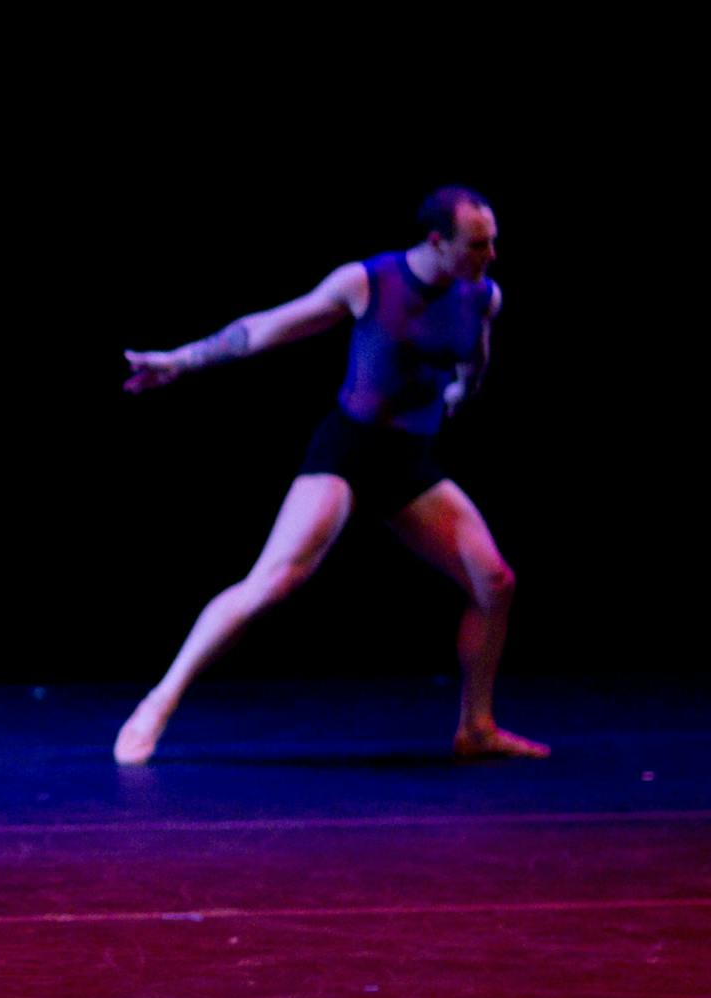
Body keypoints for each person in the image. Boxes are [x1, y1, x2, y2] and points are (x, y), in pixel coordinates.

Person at [113, 187, 549, 765]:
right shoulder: (369, 282)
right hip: (348, 453)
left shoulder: (482, 296)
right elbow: (267, 328)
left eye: (492, 242)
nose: (490, 254)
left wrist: (462, 391)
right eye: (476, 244)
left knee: (494, 581)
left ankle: (476, 728)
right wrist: (180, 360)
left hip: (408, 462)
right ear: (437, 242)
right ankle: (158, 703)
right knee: (271, 582)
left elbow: (475, 357)